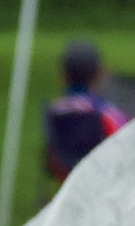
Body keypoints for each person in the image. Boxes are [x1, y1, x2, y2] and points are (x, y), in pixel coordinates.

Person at [44, 39, 129, 181]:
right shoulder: (106, 114)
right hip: (102, 183)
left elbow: (51, 155)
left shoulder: (54, 110)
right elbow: (129, 146)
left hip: (66, 180)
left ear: (63, 76)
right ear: (100, 73)